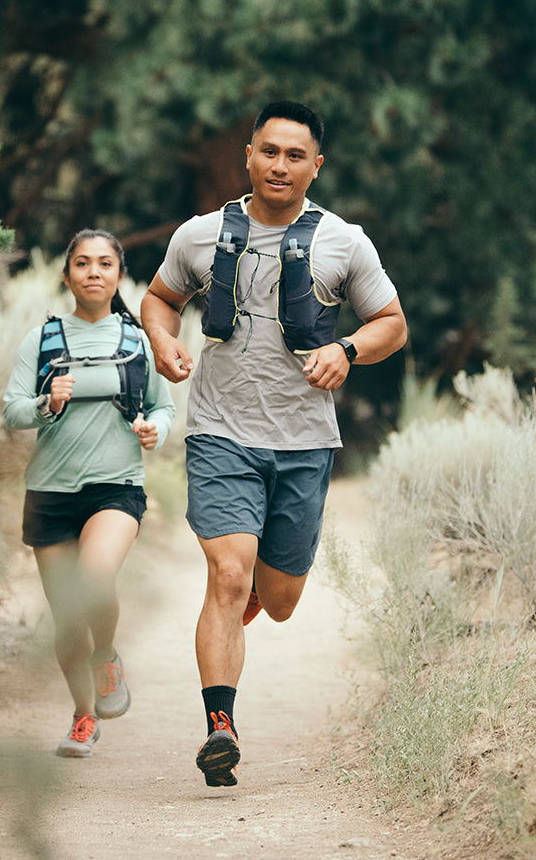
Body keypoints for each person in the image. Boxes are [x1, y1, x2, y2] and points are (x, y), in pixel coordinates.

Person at [140, 101, 407, 787]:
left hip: (304, 443)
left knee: (280, 600)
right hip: (220, 432)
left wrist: (347, 350)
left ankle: (256, 589)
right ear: (248, 157)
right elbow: (159, 297)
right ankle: (220, 727)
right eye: (268, 151)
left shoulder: (344, 243)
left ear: (317, 165)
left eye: (295, 155)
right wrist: (164, 338)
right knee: (227, 576)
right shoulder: (201, 235)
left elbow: (391, 323)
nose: (280, 165)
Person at [3, 229, 175, 758]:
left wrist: (155, 432)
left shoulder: (138, 340)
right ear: (67, 274)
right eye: (82, 263)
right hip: (49, 492)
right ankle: (82, 717)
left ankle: (107, 655)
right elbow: (10, 412)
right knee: (64, 617)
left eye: (105, 263)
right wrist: (44, 403)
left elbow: (163, 407)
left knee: (94, 580)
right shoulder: (42, 340)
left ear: (119, 275)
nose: (93, 272)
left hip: (116, 486)